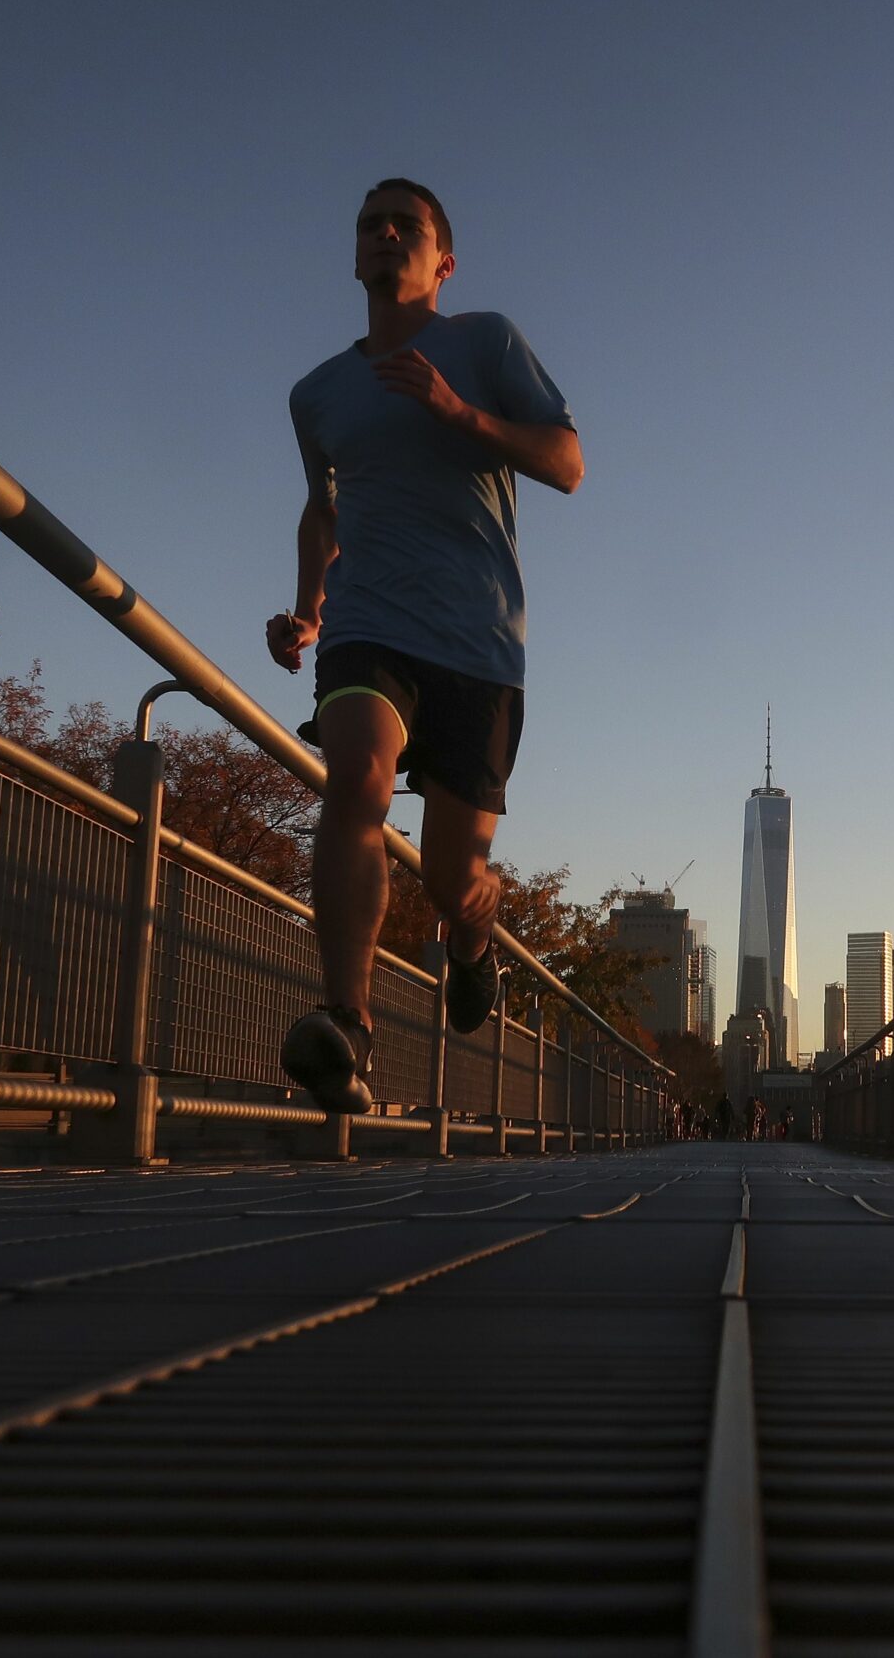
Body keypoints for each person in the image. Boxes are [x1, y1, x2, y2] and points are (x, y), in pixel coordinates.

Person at [267, 179, 584, 1112]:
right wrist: (307, 609)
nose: (386, 235)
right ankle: (347, 1024)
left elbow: (568, 463)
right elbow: (324, 510)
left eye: (408, 226)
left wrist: (458, 414)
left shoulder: (485, 342)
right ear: (354, 254)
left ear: (443, 261)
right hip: (367, 626)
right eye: (370, 225)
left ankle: (473, 945)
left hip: (481, 644)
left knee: (454, 880)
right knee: (355, 778)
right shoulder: (315, 393)